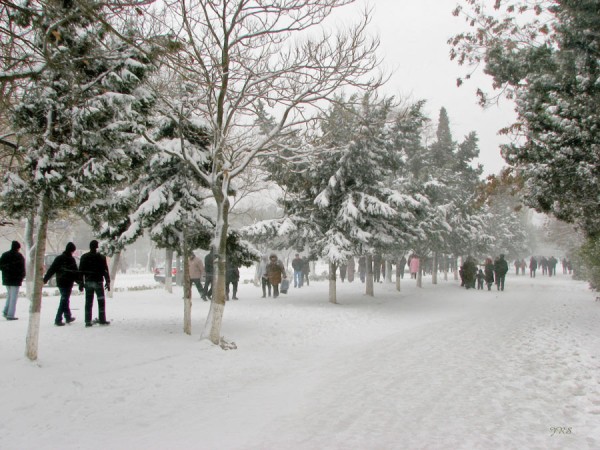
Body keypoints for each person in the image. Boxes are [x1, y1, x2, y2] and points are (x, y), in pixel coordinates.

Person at [43, 242, 81, 326]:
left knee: (65, 299)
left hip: (60, 282)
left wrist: (45, 279)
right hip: (67, 282)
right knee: (64, 300)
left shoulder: (59, 258)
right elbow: (75, 273)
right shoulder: (71, 259)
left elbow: (52, 269)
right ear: (72, 250)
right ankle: (58, 319)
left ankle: (68, 316)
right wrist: (80, 282)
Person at [78, 240, 111, 327]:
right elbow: (105, 271)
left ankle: (88, 321)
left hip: (88, 282)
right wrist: (108, 282)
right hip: (98, 282)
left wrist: (81, 283)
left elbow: (80, 271)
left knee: (88, 302)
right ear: (97, 247)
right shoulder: (101, 257)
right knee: (101, 302)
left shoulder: (84, 257)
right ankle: (102, 319)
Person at [0, 241, 26, 321]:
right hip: (15, 279)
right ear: (18, 248)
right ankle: (10, 315)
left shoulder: (5, 255)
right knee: (13, 297)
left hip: (7, 279)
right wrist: (22, 276)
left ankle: (6, 311)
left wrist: (6, 270)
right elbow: (22, 268)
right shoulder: (19, 256)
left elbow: (1, 266)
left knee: (10, 296)